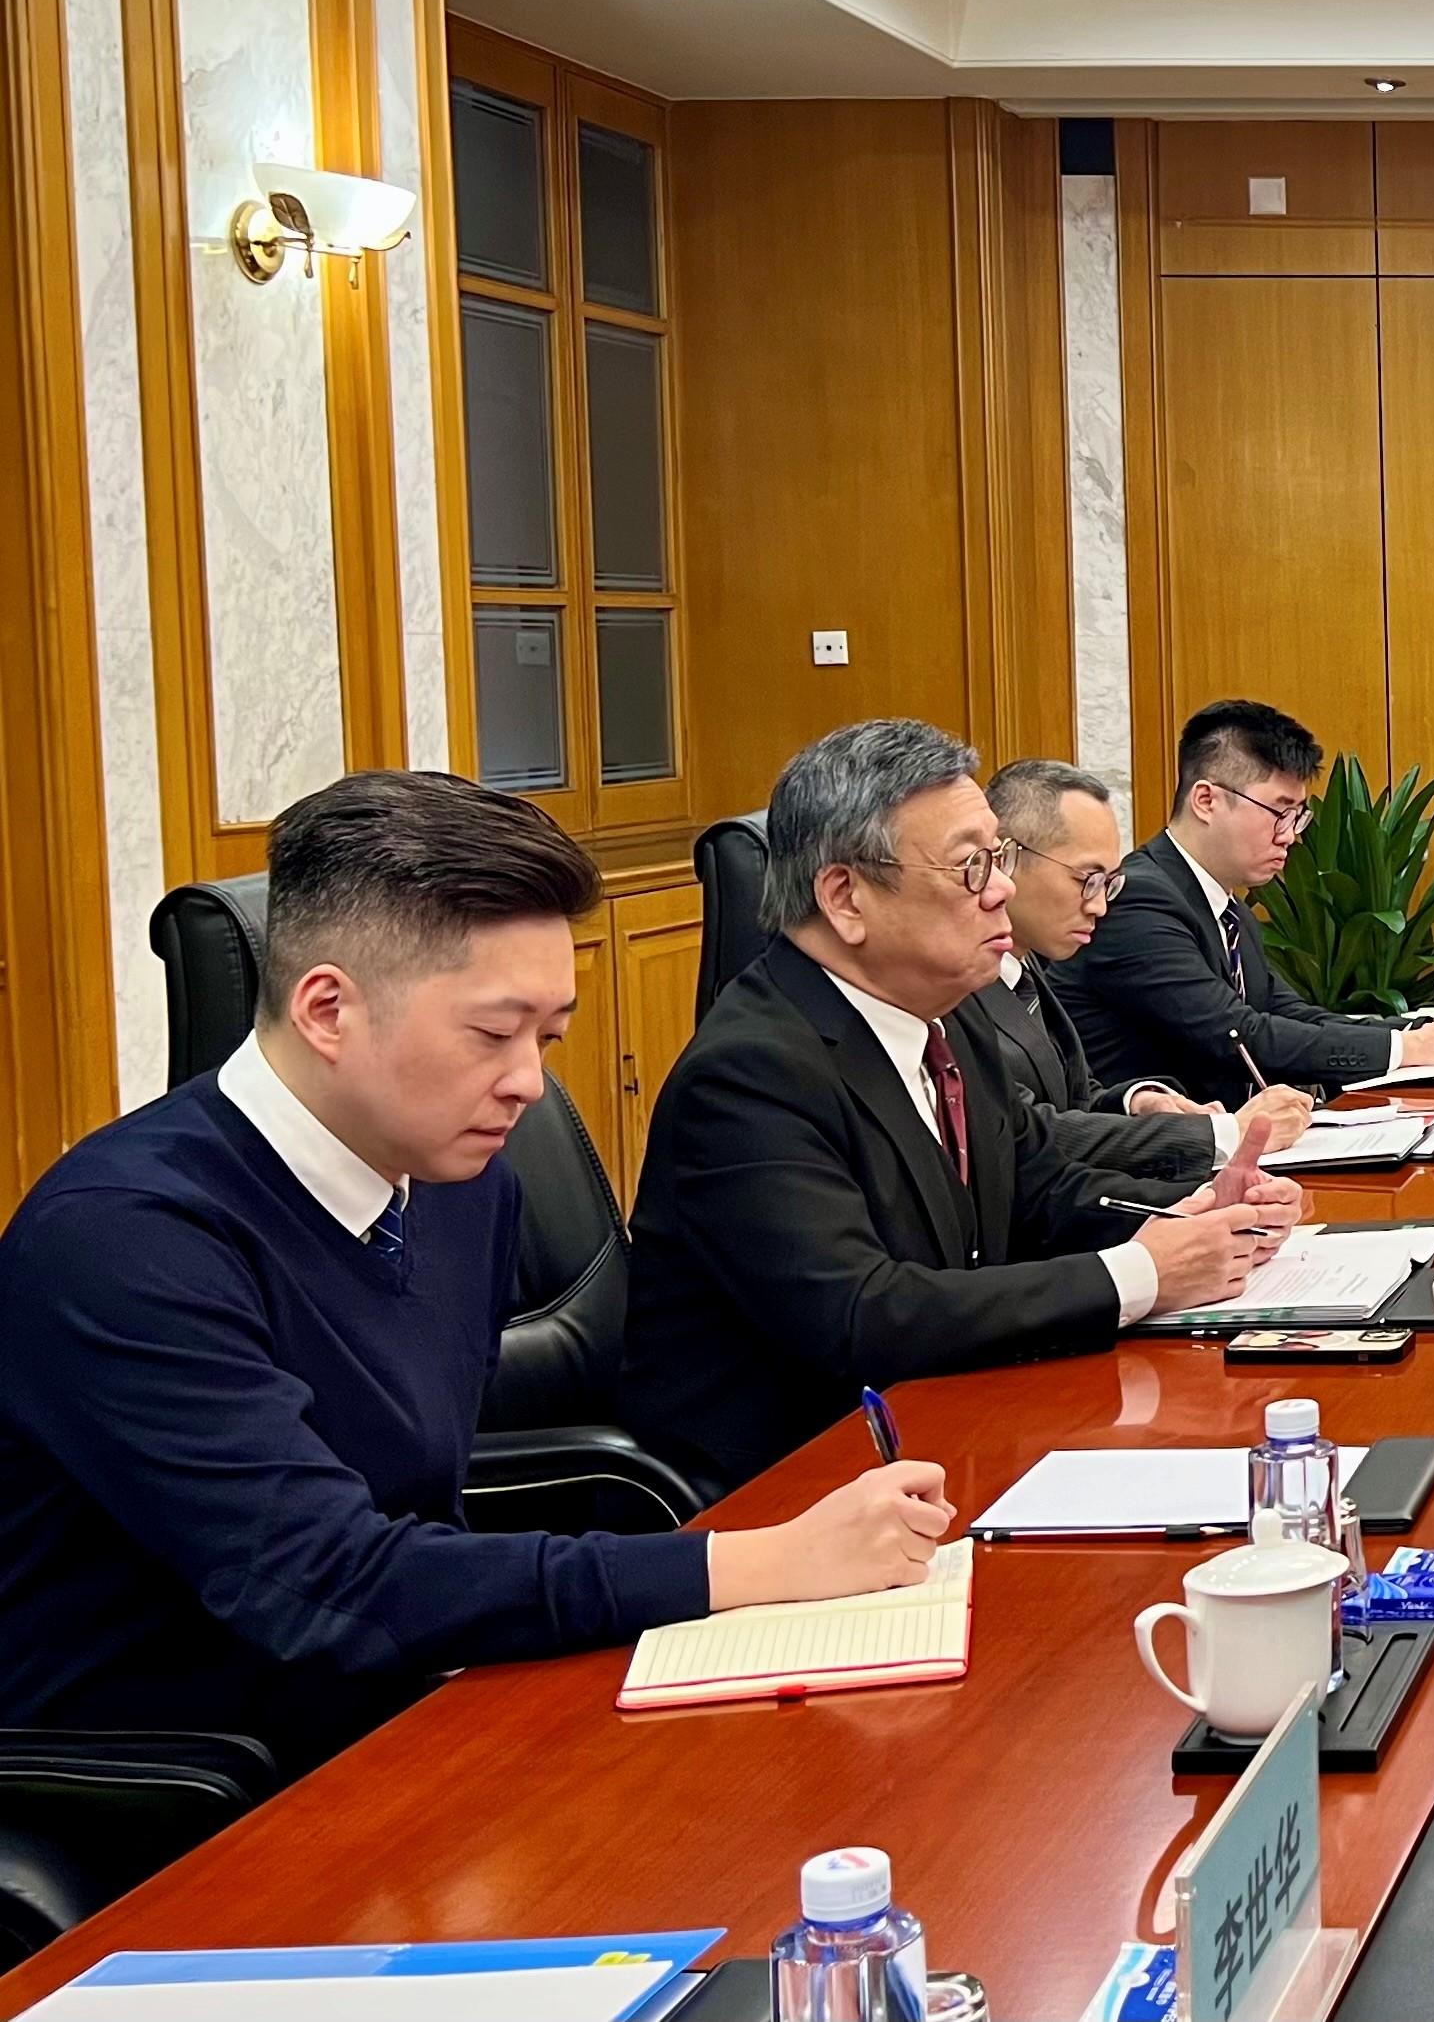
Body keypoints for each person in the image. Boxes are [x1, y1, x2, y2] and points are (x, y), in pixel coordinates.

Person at [0, 773, 951, 1773]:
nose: (528, 1083)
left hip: (407, 1717)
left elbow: (417, 1509)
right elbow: (329, 1584)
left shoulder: (459, 1182)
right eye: (493, 1033)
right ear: (328, 1008)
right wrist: (759, 1560)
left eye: (547, 1036)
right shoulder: (121, 1238)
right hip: (184, 1795)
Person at [627, 721, 1288, 1494]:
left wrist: (1196, 1213)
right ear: (845, 897)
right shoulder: (751, 1073)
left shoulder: (950, 1013)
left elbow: (1033, 1181)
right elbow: (866, 1315)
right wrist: (1139, 1272)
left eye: (1000, 857)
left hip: (948, 1435)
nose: (1003, 888)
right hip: (796, 1490)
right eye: (973, 866)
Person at [1057, 699, 1434, 1103]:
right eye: (1279, 812)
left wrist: (1419, 1031)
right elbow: (1238, 1034)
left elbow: (1290, 1013)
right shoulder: (1138, 900)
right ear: (1206, 800)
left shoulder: (1227, 908)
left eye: (1297, 815)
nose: (1291, 836)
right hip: (1166, 1161)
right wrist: (1407, 1051)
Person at [975, 758, 1316, 1180]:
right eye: (1088, 879)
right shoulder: (953, 991)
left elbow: (1075, 1099)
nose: (1099, 905)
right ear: (1006, 859)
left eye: (1108, 883)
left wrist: (1140, 1100)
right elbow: (1028, 1134)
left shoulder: (1028, 969)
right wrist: (1225, 1134)